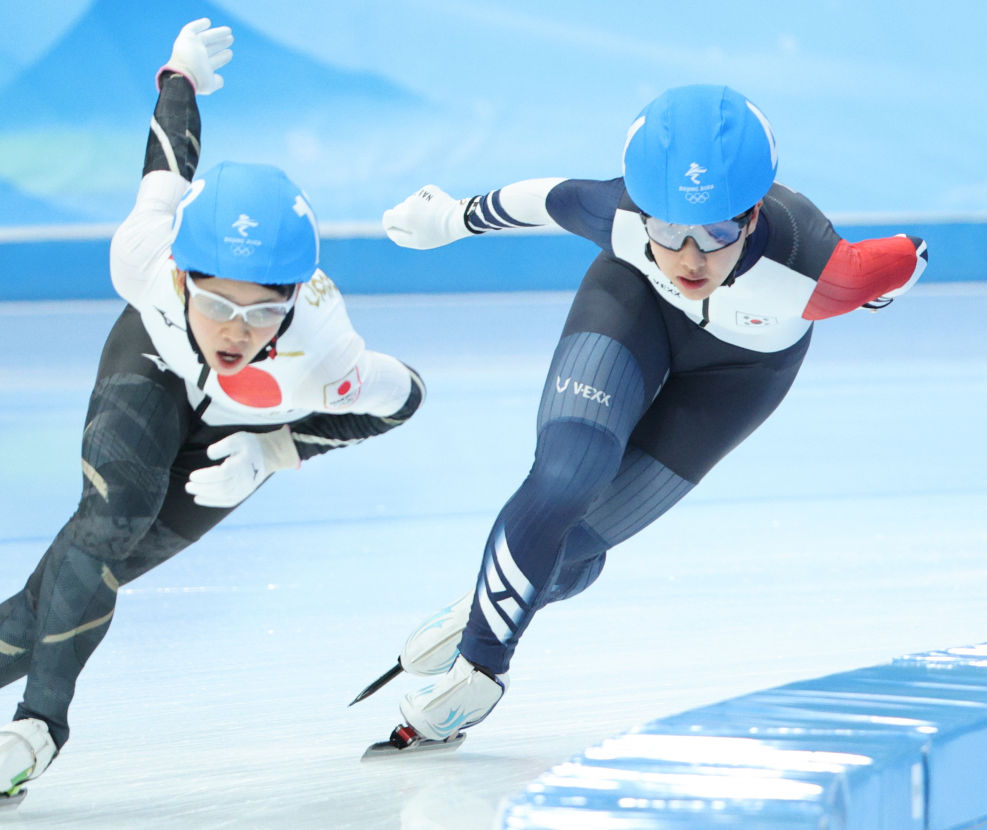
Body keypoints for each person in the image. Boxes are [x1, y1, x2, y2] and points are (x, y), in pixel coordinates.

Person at [0, 19, 424, 808]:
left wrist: (277, 451)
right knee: (109, 524)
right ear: (178, 275)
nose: (238, 332)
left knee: (77, 582)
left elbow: (403, 398)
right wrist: (178, 74)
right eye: (215, 303)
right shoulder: (144, 254)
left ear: (292, 302)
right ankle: (41, 723)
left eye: (262, 312)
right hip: (150, 361)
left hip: (243, 434)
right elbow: (170, 165)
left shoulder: (326, 354)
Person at [365, 85, 927, 753]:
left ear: (750, 218)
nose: (690, 258)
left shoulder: (822, 273)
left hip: (735, 378)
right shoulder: (620, 215)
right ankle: (478, 670)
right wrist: (451, 218)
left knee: (578, 548)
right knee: (569, 472)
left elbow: (908, 254)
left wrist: (884, 286)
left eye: (717, 231)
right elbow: (538, 201)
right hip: (633, 307)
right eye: (666, 228)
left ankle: (491, 602)